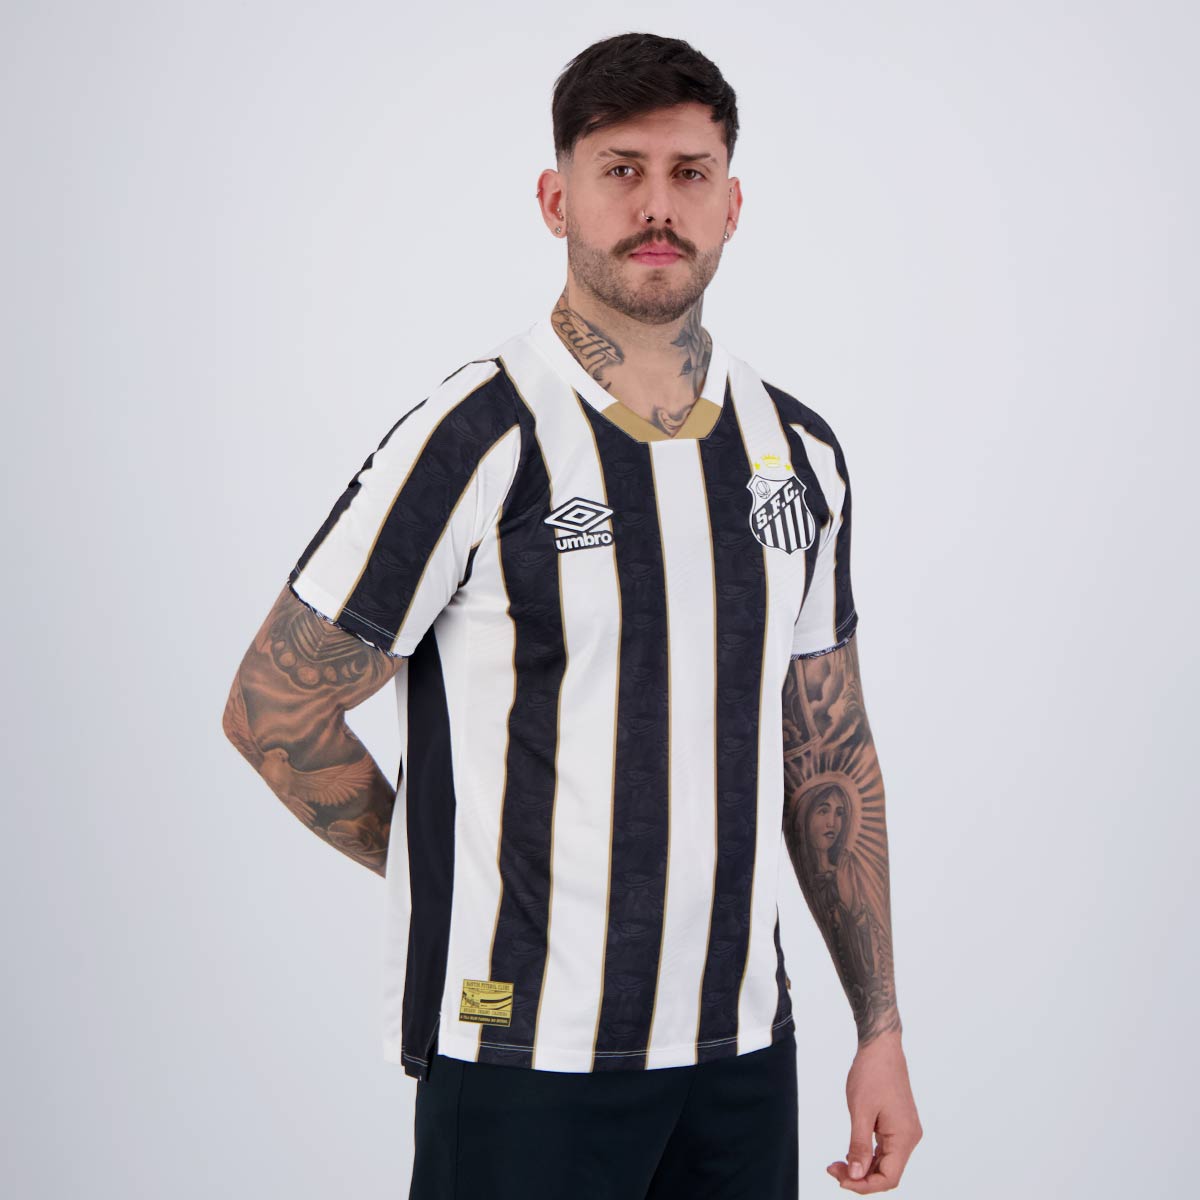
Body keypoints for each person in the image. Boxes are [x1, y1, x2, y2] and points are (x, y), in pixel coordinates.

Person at [222, 30, 922, 1198]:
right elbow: (272, 706)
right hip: (523, 1055)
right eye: (621, 170)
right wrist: (452, 874)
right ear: (558, 199)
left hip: (742, 1055)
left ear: (732, 203)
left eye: (689, 173)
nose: (658, 207)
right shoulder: (475, 435)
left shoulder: (797, 451)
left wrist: (880, 1026)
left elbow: (827, 755)